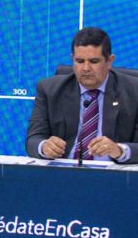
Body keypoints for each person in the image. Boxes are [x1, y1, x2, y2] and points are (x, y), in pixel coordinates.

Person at [26, 27, 138, 163]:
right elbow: (33, 140)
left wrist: (120, 150)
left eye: (94, 61)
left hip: (114, 172)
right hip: (64, 171)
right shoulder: (49, 90)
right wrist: (44, 147)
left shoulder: (134, 91)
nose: (86, 68)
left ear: (109, 61)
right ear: (72, 59)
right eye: (79, 61)